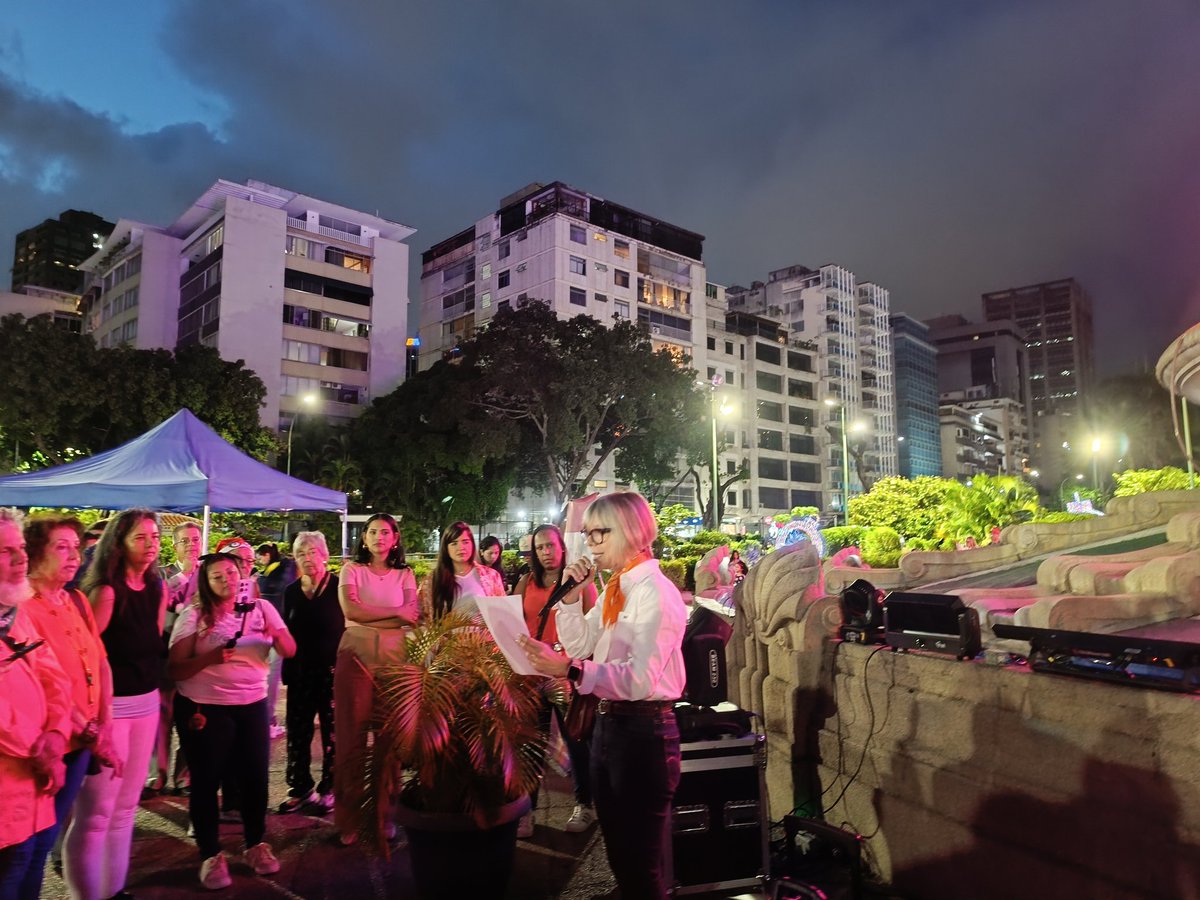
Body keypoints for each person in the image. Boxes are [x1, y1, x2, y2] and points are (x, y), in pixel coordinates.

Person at [519, 492, 686, 900]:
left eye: (601, 532)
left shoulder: (655, 592)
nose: (591, 542)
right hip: (608, 724)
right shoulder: (615, 587)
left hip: (645, 732)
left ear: (633, 531)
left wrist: (568, 670)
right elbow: (579, 644)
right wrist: (572, 597)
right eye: (588, 533)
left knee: (641, 863)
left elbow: (640, 679)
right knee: (618, 850)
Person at [168, 552, 296, 890]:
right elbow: (175, 668)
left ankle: (256, 844)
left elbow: (289, 649)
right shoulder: (194, 615)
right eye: (217, 576)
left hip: (252, 703)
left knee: (255, 777)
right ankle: (210, 853)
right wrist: (211, 656)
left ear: (243, 573)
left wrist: (275, 634)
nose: (226, 579)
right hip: (205, 706)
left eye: (231, 572)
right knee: (207, 780)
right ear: (205, 583)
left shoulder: (262, 608)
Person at [66, 509, 168, 900]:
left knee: (126, 810)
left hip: (145, 704)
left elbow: (153, 644)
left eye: (154, 537)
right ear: (119, 543)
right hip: (110, 709)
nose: (150, 544)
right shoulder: (107, 592)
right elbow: (86, 655)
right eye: (140, 537)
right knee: (95, 815)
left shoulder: (157, 589)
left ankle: (115, 888)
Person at [21, 515, 121, 900]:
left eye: (74, 547)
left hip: (84, 741)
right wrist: (94, 733)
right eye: (60, 547)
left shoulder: (76, 599)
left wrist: (105, 724)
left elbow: (100, 662)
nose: (73, 555)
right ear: (34, 555)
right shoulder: (24, 608)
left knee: (54, 830)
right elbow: (48, 685)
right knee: (33, 845)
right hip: (52, 744)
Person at [334, 513, 419, 845]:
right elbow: (350, 611)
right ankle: (349, 818)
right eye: (372, 531)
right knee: (350, 740)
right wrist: (395, 615)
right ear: (364, 538)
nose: (379, 537)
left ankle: (384, 815)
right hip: (355, 658)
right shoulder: (351, 570)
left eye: (385, 532)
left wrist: (383, 619)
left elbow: (410, 616)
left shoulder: (406, 574)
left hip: (395, 662)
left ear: (395, 538)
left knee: (389, 743)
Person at [0, 509, 72, 900]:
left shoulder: (14, 613)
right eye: (5, 551)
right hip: (10, 790)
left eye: (21, 548)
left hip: (33, 790)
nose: (20, 558)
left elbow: (53, 676)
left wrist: (58, 734)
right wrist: (41, 750)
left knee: (29, 869)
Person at [515, 523, 598, 837]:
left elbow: (593, 628)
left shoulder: (578, 583)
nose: (546, 552)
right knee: (532, 744)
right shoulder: (526, 582)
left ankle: (584, 804)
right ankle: (527, 811)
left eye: (551, 545)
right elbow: (513, 621)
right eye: (540, 547)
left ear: (562, 547)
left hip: (565, 672)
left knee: (577, 740)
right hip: (533, 673)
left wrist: (580, 670)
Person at [278, 532, 343, 814]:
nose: (307, 558)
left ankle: (331, 787)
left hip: (332, 671)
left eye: (313, 551)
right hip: (300, 671)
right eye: (301, 553)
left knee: (333, 733)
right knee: (298, 732)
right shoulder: (291, 591)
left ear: (325, 554)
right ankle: (301, 788)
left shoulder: (339, 587)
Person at [151, 521, 203, 796]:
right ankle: (155, 777)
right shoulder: (163, 574)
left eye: (195, 540)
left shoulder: (207, 573)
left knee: (191, 719)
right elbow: (156, 614)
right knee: (160, 718)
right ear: (174, 544)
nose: (191, 545)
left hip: (194, 658)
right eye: (185, 541)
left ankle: (184, 775)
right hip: (163, 654)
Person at [421, 521, 507, 622]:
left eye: (465, 542)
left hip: (483, 637)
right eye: (454, 543)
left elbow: (503, 612)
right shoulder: (432, 580)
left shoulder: (491, 576)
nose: (461, 547)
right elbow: (424, 617)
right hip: (447, 637)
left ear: (472, 545)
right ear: (446, 548)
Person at [254, 543, 293, 740]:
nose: (258, 561)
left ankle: (267, 719)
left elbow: (272, 587)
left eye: (260, 557)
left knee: (271, 676)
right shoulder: (272, 569)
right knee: (265, 675)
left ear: (268, 554)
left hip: (278, 627)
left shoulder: (283, 568)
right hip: (267, 628)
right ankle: (265, 718)